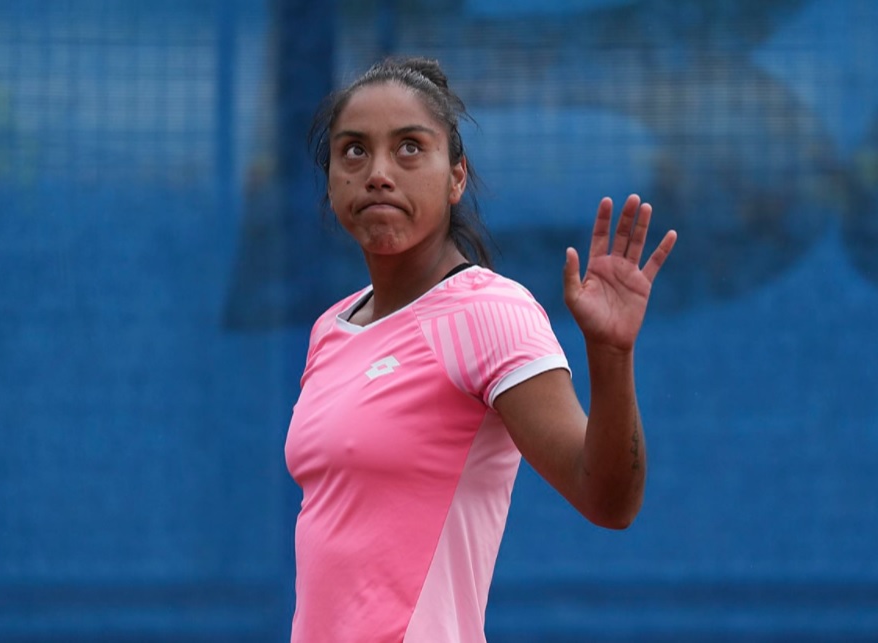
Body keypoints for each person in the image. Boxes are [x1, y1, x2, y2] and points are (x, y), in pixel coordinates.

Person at [285, 56, 677, 642]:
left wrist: (611, 354)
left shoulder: (489, 314)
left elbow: (608, 500)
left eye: (410, 147)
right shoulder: (330, 329)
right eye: (354, 151)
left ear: (456, 177)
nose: (379, 173)